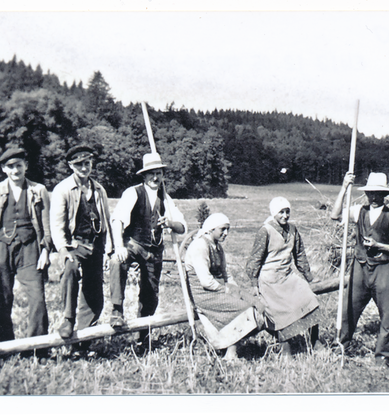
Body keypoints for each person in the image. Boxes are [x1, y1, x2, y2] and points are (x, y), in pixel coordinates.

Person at [330, 172, 389, 367]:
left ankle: (382, 355)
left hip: (384, 269)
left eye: (378, 194)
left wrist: (380, 246)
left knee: (387, 314)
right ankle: (342, 345)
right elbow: (335, 215)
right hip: (360, 267)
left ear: (384, 195)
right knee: (348, 308)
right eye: (371, 193)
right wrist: (343, 188)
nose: (374, 198)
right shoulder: (359, 211)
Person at [108, 152, 186, 347]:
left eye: (158, 173)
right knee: (117, 262)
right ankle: (117, 311)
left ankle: (142, 336)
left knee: (151, 293)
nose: (155, 178)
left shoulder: (165, 198)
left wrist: (170, 222)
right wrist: (118, 246)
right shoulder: (133, 193)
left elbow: (182, 227)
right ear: (144, 176)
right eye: (151, 174)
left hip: (155, 250)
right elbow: (117, 220)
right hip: (133, 244)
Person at [0, 148, 51, 347]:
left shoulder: (39, 190)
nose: (15, 170)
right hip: (1, 248)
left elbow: (46, 224)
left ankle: (37, 347)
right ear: (4, 169)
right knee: (1, 299)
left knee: (37, 298)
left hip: (30, 249)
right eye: (10, 166)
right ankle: (4, 346)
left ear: (26, 166)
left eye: (19, 165)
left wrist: (45, 250)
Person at [245, 197, 324, 356]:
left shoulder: (293, 230)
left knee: (310, 300)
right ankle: (285, 350)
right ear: (274, 213)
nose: (285, 215)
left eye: (287, 211)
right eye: (281, 212)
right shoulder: (265, 231)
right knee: (280, 313)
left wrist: (309, 277)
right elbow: (254, 260)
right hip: (270, 280)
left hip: (287, 276)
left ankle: (315, 342)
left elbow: (299, 254)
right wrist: (255, 284)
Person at [50, 145, 112, 341]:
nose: (84, 168)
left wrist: (109, 250)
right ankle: (68, 318)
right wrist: (62, 249)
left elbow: (107, 222)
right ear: (71, 166)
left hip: (96, 245)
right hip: (75, 245)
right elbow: (57, 224)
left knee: (95, 294)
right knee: (70, 271)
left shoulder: (99, 190)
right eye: (79, 164)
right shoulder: (63, 189)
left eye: (87, 163)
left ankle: (83, 341)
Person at [184, 213, 264, 360]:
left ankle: (230, 347)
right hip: (204, 295)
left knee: (256, 305)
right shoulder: (200, 246)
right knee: (245, 309)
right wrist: (228, 290)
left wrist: (237, 290)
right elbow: (206, 281)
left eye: (228, 230)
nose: (226, 233)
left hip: (218, 290)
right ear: (211, 229)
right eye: (223, 229)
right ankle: (230, 353)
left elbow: (226, 275)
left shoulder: (218, 248)